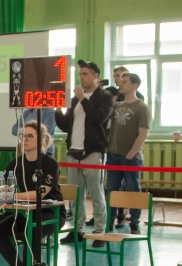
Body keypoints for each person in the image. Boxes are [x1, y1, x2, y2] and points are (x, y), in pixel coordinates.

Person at [0, 121, 63, 266]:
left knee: (33, 231)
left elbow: (39, 194)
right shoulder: (17, 163)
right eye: (22, 136)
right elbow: (4, 185)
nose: (25, 139)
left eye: (30, 136)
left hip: (51, 213)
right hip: (27, 212)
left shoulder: (50, 164)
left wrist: (12, 196)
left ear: (42, 140)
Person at [55, 60, 113, 247]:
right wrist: (58, 109)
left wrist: (83, 99)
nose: (82, 77)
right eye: (80, 74)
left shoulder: (105, 97)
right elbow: (66, 125)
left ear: (96, 75)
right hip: (74, 152)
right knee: (76, 195)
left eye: (86, 74)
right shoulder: (75, 100)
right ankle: (77, 230)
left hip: (93, 152)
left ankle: (99, 231)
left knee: (96, 193)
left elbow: (98, 117)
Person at [105, 72, 150, 234]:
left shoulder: (141, 107)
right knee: (112, 190)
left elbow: (142, 133)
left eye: (124, 81)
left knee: (133, 190)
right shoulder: (117, 106)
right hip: (113, 155)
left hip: (131, 157)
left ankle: (134, 223)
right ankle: (109, 223)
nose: (120, 84)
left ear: (134, 85)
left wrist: (131, 154)